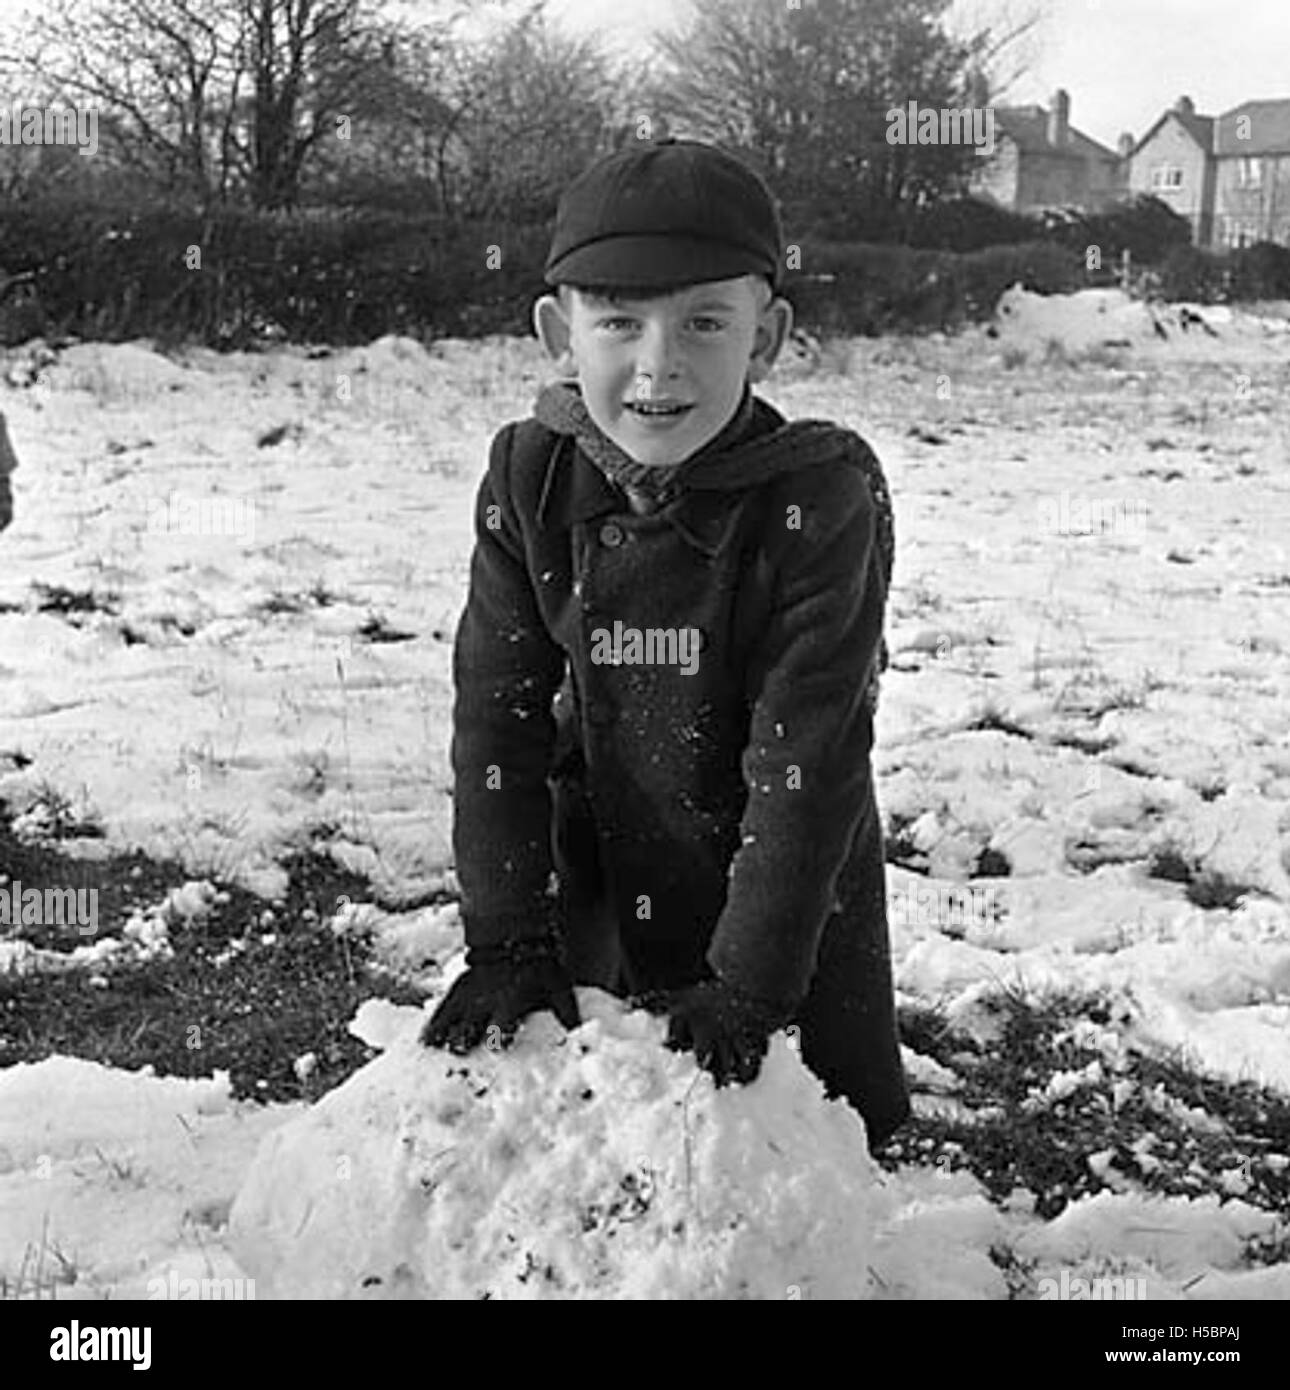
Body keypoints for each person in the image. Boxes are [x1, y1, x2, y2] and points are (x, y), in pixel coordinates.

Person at [423, 138, 909, 1146]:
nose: (660, 363)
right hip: (603, 853)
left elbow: (807, 759)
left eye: (703, 322)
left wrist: (752, 988)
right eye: (619, 321)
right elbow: (497, 718)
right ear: (561, 332)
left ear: (765, 336)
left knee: (782, 1149)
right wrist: (510, 936)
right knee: (606, 1138)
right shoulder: (530, 479)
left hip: (778, 880)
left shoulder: (818, 497)